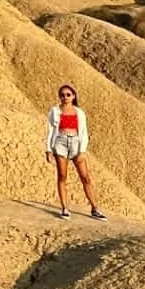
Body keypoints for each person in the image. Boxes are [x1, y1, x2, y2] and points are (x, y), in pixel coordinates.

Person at [44, 84, 102, 219]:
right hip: (61, 142)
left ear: (73, 96)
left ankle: (94, 208)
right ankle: (64, 208)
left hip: (76, 143)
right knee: (62, 176)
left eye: (68, 95)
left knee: (85, 177)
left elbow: (83, 132)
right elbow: (51, 130)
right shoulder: (55, 110)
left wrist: (82, 150)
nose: (65, 97)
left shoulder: (79, 112)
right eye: (62, 95)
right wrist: (48, 149)